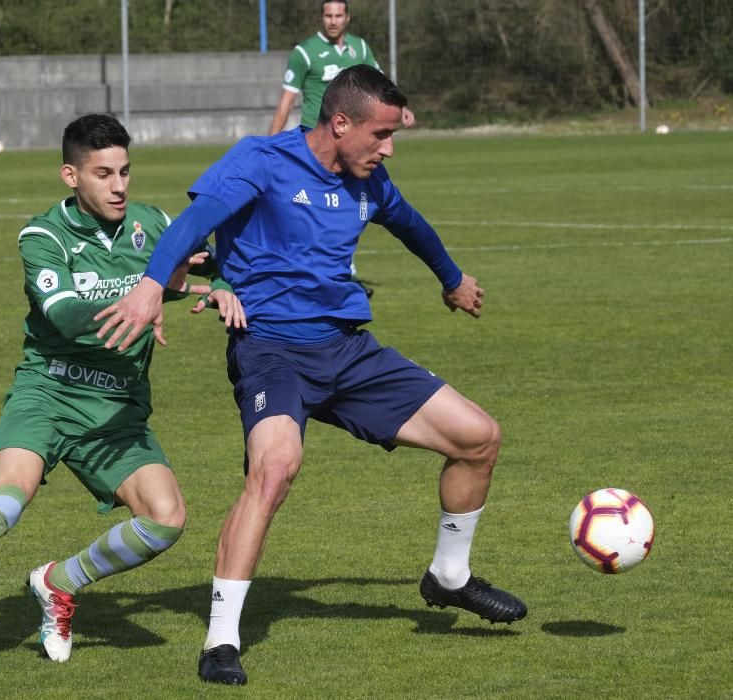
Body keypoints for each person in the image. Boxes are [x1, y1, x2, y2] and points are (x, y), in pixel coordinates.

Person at [94, 65, 527, 686]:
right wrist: (146, 287)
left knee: (479, 437)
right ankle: (220, 641)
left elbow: (412, 225)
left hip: (347, 351)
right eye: (380, 134)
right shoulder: (261, 160)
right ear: (340, 122)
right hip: (269, 350)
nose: (388, 148)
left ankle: (449, 577)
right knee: (275, 468)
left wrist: (452, 280)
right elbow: (191, 226)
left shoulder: (368, 180)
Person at [0, 113, 245, 680]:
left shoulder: (153, 223)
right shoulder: (42, 237)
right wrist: (141, 300)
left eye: (125, 172)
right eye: (103, 173)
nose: (118, 186)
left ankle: (57, 583)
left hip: (117, 410)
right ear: (71, 176)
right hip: (50, 390)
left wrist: (222, 288)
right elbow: (61, 316)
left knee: (166, 519)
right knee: (9, 494)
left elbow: (211, 262)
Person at [268, 0, 416, 299]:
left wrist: (401, 111)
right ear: (321, 17)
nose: (333, 20)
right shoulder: (304, 52)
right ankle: (313, 275)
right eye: (328, 15)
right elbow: (286, 101)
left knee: (348, 207)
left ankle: (340, 276)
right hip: (315, 147)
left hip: (352, 147)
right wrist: (271, 144)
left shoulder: (360, 49)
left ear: (347, 17)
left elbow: (381, 87)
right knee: (308, 210)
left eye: (338, 15)